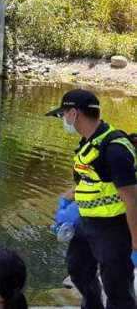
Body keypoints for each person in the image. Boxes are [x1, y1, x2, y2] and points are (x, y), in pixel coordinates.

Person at [46, 89, 137, 308]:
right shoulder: (89, 144)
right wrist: (66, 200)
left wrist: (135, 242)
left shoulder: (115, 149)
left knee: (117, 287)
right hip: (87, 222)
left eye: (63, 114)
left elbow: (132, 198)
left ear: (74, 113)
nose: (63, 120)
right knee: (78, 269)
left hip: (113, 229)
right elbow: (90, 180)